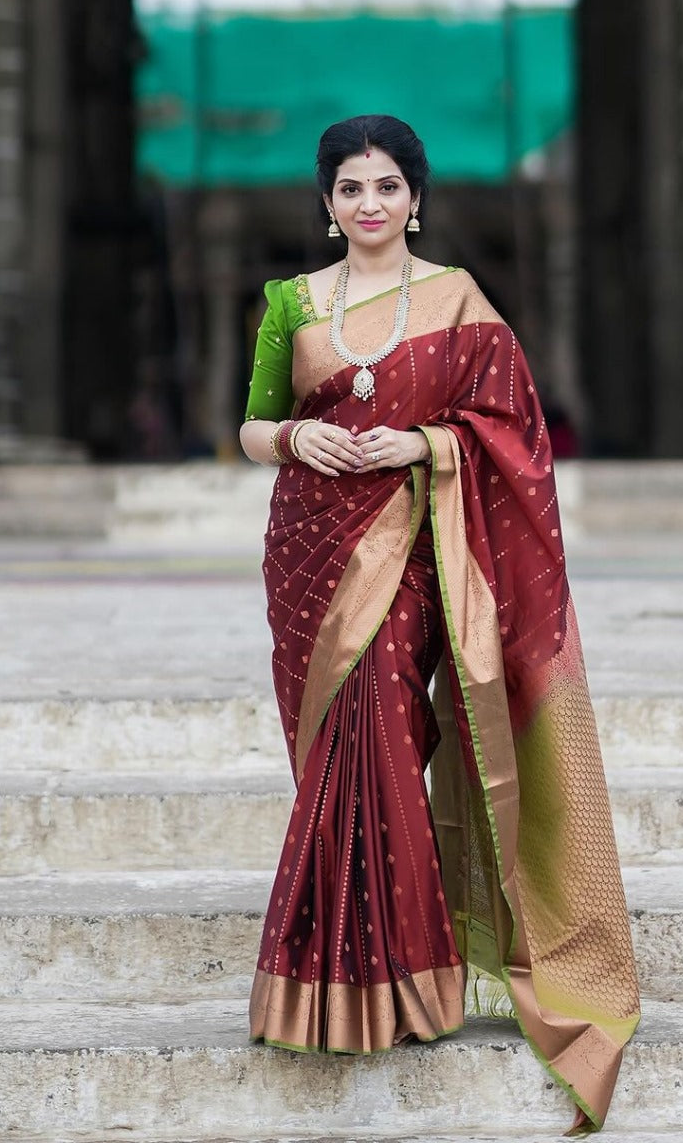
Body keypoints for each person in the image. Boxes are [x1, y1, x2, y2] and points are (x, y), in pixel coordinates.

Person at [239, 114, 639, 1135]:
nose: (368, 204)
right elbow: (248, 423)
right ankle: (335, 985)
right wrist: (295, 433)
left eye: (386, 187)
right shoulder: (289, 303)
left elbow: (509, 428)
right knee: (334, 747)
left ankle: (410, 983)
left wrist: (417, 441)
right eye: (348, 189)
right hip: (308, 548)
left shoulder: (461, 299)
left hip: (411, 542)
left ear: (416, 197)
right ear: (325, 206)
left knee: (381, 725)